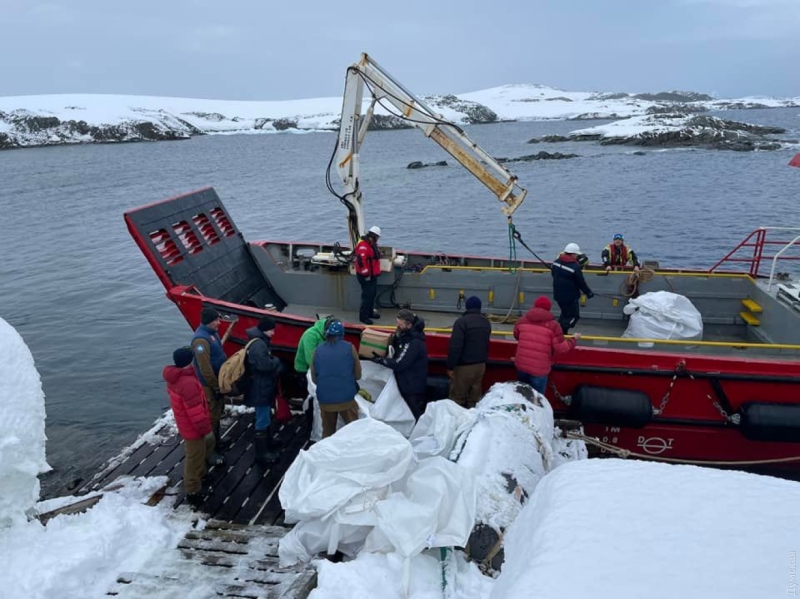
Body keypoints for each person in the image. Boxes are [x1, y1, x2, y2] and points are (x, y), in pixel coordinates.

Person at [163, 347, 223, 508]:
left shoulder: (177, 378)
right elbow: (195, 412)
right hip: (193, 429)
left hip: (186, 424)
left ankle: (201, 475)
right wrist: (206, 429)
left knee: (199, 452)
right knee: (194, 458)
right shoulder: (187, 383)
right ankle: (193, 491)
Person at [513, 297, 580, 394]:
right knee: (538, 401)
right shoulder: (554, 326)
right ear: (548, 309)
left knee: (522, 397)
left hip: (521, 366)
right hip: (539, 370)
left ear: (534, 306)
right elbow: (561, 348)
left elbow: (516, 335)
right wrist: (574, 339)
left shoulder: (522, 320)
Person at [372, 309, 428, 420]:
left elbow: (401, 363)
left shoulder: (414, 343)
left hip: (412, 386)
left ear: (409, 325)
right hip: (405, 381)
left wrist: (382, 360)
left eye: (400, 325)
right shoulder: (404, 336)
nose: (397, 327)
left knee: (414, 414)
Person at [310, 320, 362, 439]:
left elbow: (314, 378)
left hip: (325, 400)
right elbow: (358, 375)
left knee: (328, 432)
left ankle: (328, 453)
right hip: (347, 399)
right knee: (353, 431)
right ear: (342, 334)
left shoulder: (317, 350)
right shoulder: (350, 348)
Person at [244, 315, 283, 468]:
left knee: (265, 415)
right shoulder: (259, 346)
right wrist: (276, 361)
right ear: (266, 329)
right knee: (262, 417)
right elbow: (264, 365)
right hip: (260, 387)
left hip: (262, 385)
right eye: (272, 330)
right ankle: (262, 452)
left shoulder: (258, 341)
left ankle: (268, 441)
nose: (273, 333)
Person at [191, 306, 227, 452]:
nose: (219, 322)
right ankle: (212, 448)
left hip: (218, 380)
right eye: (216, 320)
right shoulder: (201, 341)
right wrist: (215, 386)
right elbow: (204, 368)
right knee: (212, 414)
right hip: (209, 384)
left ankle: (218, 439)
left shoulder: (213, 333)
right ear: (208, 322)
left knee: (219, 410)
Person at [446, 296, 491, 409]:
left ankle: (456, 423)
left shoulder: (461, 322)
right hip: (481, 366)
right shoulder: (486, 322)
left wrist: (450, 366)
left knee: (457, 399)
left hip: (464, 367)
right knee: (475, 398)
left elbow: (455, 347)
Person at [552, 243, 594, 335]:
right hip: (570, 297)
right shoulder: (575, 267)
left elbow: (553, 275)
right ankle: (560, 332)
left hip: (558, 295)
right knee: (574, 316)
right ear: (573, 254)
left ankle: (562, 332)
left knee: (564, 313)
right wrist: (588, 293)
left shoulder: (555, 262)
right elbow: (581, 282)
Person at [355, 225, 383, 325]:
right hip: (366, 276)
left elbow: (374, 256)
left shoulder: (371, 244)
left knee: (372, 294)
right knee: (367, 296)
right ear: (374, 236)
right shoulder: (363, 246)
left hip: (373, 274)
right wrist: (366, 274)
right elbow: (361, 261)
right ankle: (363, 317)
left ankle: (370, 312)